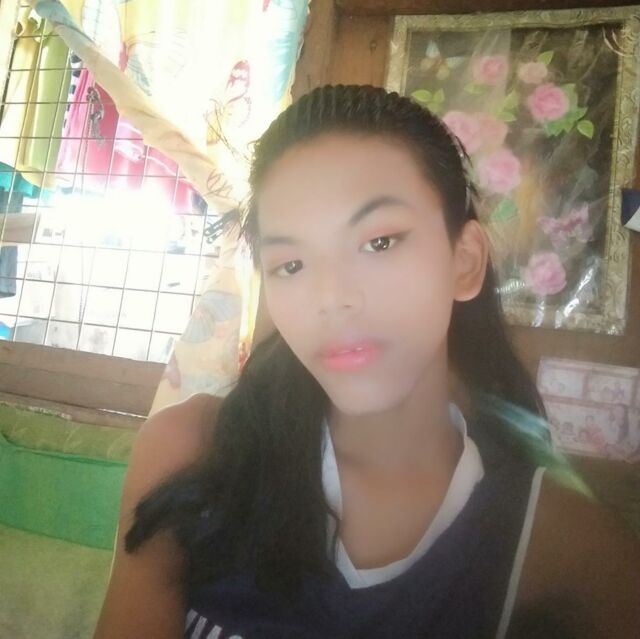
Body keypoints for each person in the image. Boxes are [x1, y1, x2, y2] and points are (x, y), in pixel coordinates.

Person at [93, 85, 640, 639]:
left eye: (379, 242)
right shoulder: (190, 452)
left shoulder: (561, 545)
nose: (332, 297)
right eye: (291, 264)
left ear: (465, 261)